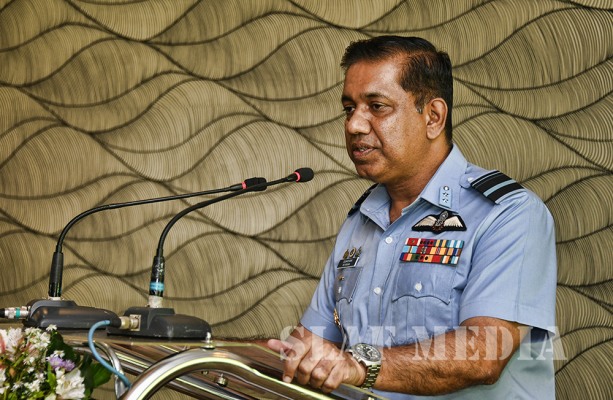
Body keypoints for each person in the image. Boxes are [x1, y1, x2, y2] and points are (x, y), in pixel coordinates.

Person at [267, 36, 557, 399]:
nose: (354, 125)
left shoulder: (507, 213)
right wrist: (216, 349)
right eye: (349, 108)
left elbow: (484, 354)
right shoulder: (361, 219)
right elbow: (310, 346)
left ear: (433, 117)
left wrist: (360, 365)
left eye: (377, 107)